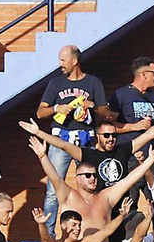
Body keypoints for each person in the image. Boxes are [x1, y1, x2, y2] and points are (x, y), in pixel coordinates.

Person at [34, 44, 107, 225]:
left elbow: (106, 112)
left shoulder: (93, 82)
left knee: (90, 186)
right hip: (61, 139)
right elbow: (40, 113)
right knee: (53, 189)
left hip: (85, 140)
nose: (60, 64)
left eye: (63, 60)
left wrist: (92, 105)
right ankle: (49, 236)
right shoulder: (56, 83)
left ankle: (92, 227)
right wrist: (57, 108)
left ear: (74, 61)